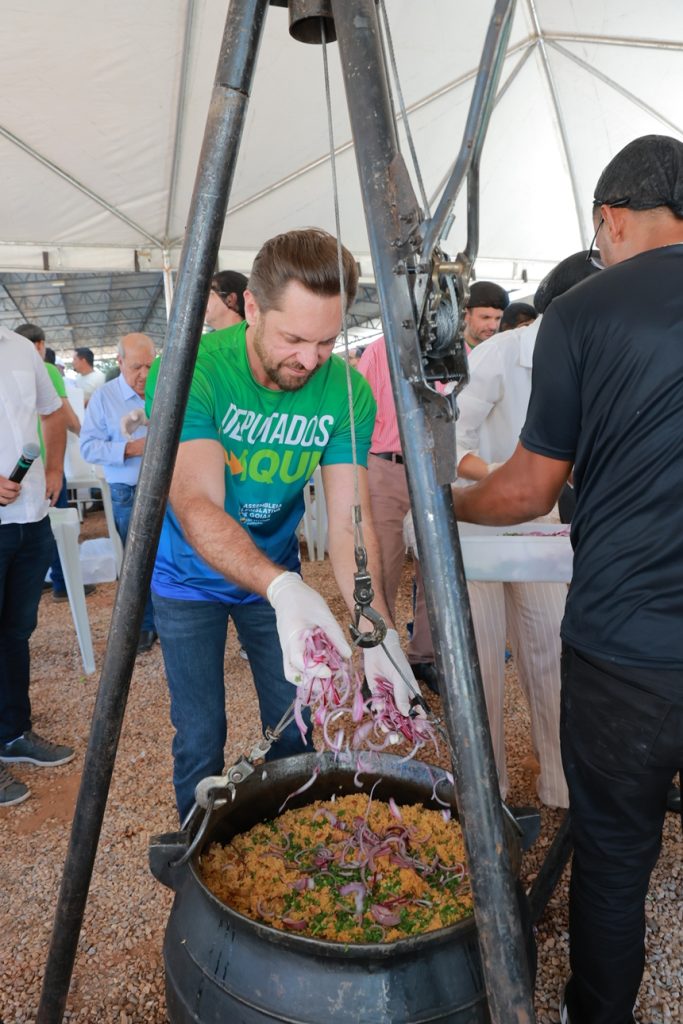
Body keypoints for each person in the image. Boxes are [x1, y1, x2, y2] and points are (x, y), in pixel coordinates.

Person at [452, 134, 683, 1024]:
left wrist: (446, 506)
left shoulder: (582, 311)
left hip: (625, 651)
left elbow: (526, 489)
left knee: (615, 857)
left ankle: (598, 1012)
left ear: (610, 219)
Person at [146, 228, 418, 822]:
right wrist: (282, 587)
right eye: (292, 338)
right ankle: (197, 844)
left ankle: (294, 840)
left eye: (326, 341)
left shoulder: (346, 391)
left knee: (296, 721)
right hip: (189, 580)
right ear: (250, 306)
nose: (310, 360)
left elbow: (350, 523)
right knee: (200, 732)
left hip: (275, 574)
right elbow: (195, 503)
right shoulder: (191, 370)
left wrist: (375, 628)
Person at [454, 253, 599, 810]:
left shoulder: (586, 354)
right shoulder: (497, 355)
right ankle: (487, 795)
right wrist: (503, 477)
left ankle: (561, 786)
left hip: (538, 519)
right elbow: (449, 445)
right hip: (474, 518)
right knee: (482, 662)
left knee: (551, 650)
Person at [0, 327, 73, 807]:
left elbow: (53, 412)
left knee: (15, 632)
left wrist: (54, 467)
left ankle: (13, 733)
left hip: (30, 518)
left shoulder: (20, 347)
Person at [357, 336, 438, 693]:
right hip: (387, 465)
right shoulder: (380, 349)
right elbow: (358, 411)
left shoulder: (450, 348)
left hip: (435, 469)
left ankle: (427, 657)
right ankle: (378, 660)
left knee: (434, 570)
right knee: (380, 567)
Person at [80, 333, 158, 653]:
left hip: (171, 487)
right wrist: (130, 449)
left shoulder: (164, 388)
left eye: (150, 366)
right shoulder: (104, 397)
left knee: (172, 555)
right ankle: (146, 624)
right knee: (136, 561)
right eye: (137, 367)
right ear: (120, 362)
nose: (144, 374)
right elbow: (88, 447)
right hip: (128, 490)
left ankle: (173, 619)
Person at [13, 323, 94, 602]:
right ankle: (62, 582)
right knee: (58, 528)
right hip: (46, 466)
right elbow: (64, 414)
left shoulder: (14, 366)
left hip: (23, 467)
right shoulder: (45, 369)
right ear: (40, 345)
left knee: (32, 530)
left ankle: (44, 579)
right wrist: (86, 437)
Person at [462, 280, 509, 354]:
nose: (493, 327)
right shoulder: (448, 354)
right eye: (485, 317)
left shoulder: (505, 352)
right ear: (466, 314)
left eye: (498, 318)